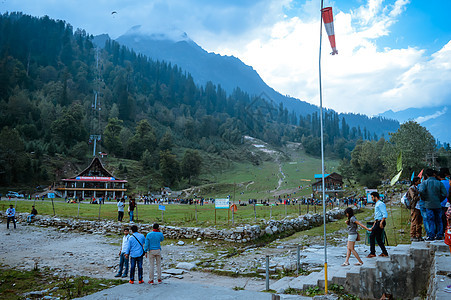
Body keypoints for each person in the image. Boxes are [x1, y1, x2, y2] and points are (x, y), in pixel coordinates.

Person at [419, 169, 447, 241]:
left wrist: (425, 198)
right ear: (434, 174)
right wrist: (439, 199)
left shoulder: (424, 183)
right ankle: (439, 235)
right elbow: (444, 194)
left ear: (427, 175)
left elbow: (421, 191)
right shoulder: (439, 183)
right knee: (439, 220)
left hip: (428, 204)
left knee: (430, 220)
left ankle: (431, 235)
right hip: (438, 204)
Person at [367, 192, 389, 258]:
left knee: (372, 236)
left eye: (372, 197)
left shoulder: (380, 204)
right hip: (377, 221)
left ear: (375, 197)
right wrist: (374, 224)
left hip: (380, 222)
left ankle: (372, 252)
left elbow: (384, 214)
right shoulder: (377, 204)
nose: (372, 198)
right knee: (378, 238)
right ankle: (384, 252)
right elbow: (376, 216)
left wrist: (381, 222)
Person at [408, 177, 423, 241]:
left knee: (419, 222)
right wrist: (421, 195)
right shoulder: (411, 188)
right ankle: (413, 235)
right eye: (419, 181)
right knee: (414, 221)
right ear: (416, 182)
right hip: (415, 207)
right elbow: (414, 197)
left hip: (419, 206)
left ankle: (419, 235)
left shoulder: (417, 188)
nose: (420, 182)